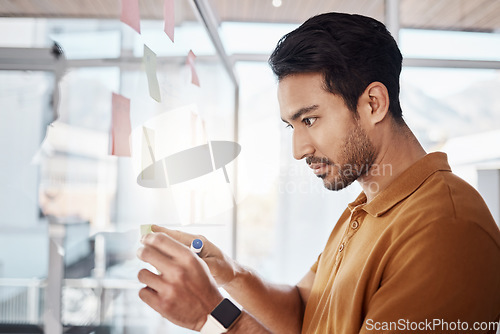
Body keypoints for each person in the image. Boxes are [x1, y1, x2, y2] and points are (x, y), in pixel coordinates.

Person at [136, 12, 500, 334]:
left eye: (309, 119)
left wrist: (211, 316)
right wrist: (228, 272)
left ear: (373, 104)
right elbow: (304, 310)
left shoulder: (445, 228)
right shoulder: (365, 208)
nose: (299, 150)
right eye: (291, 126)